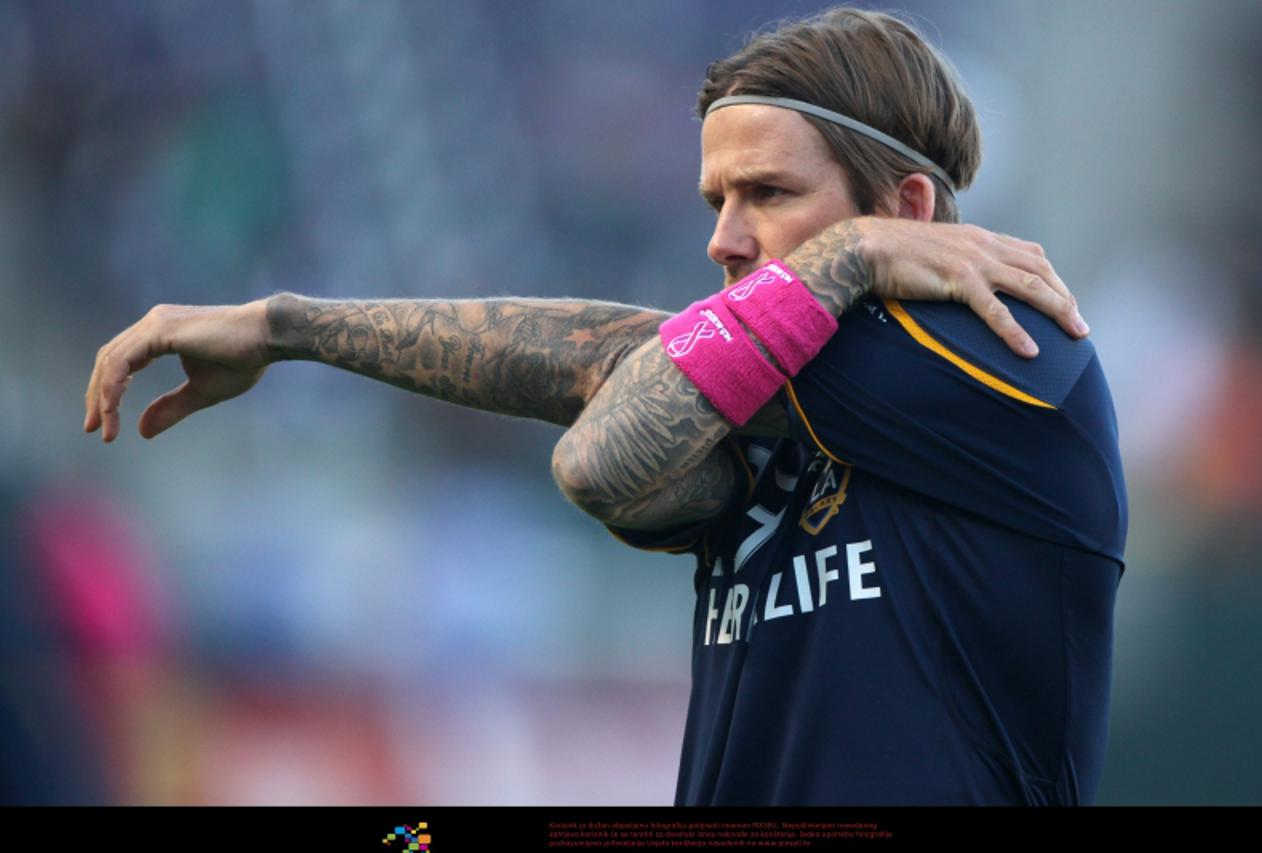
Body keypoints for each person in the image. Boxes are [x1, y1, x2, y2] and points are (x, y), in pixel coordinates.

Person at [83, 7, 1124, 806]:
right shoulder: (771, 365)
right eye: (714, 200)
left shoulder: (1014, 359)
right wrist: (283, 326)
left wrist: (845, 257)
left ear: (904, 207)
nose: (722, 237)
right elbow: (609, 353)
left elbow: (603, 452)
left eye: (766, 194)